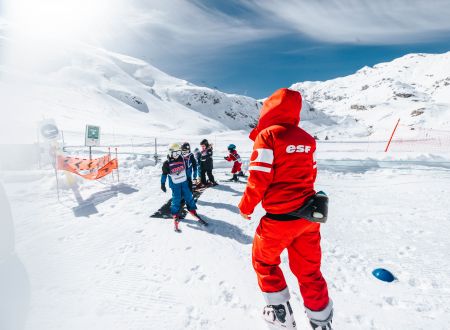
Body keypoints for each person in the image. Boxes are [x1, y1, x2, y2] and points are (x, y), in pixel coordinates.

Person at [238, 88, 333, 330]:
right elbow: (311, 174)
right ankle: (321, 321)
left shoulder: (268, 136)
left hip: (279, 220)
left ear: (269, 109)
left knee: (264, 261)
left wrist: (246, 206)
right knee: (309, 271)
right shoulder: (306, 139)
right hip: (308, 217)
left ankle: (280, 314)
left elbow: (258, 178)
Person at [161, 143, 207, 232]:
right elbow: (164, 174)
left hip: (184, 182)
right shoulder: (167, 163)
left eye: (179, 152)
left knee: (189, 196)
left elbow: (188, 168)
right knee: (176, 199)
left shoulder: (182, 159)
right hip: (175, 184)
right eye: (175, 153)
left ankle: (192, 210)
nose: (177, 155)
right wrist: (162, 183)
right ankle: (175, 214)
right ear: (170, 152)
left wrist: (191, 179)